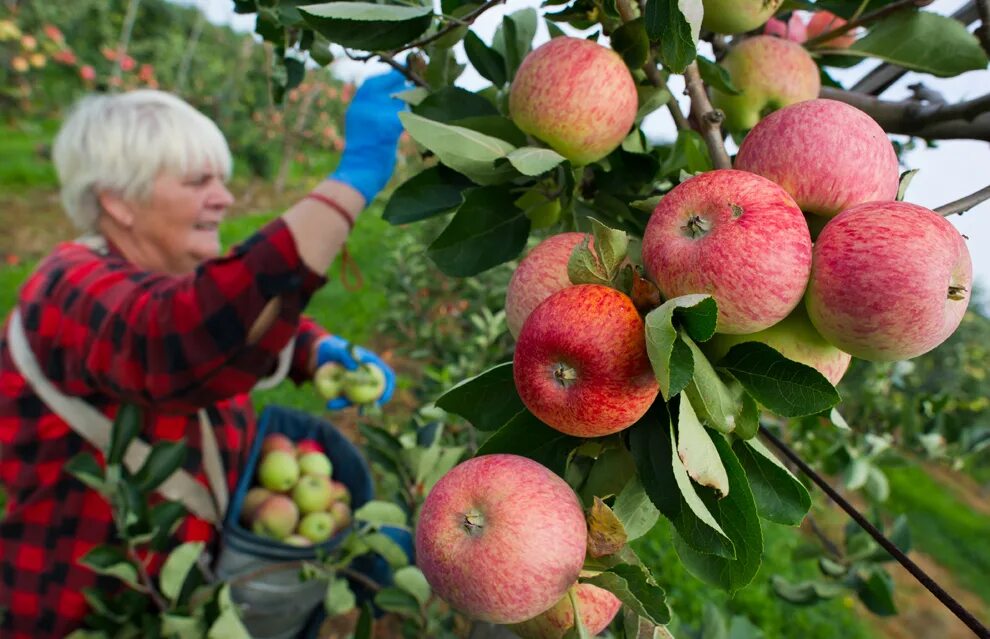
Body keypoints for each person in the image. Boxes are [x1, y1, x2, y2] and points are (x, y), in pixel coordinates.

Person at [0, 70, 409, 638]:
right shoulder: (67, 285)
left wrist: (316, 351)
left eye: (222, 179)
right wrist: (349, 184)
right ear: (118, 202)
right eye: (198, 181)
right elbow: (175, 338)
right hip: (92, 611)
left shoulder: (159, 274)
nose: (225, 197)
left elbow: (219, 313)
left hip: (180, 598)